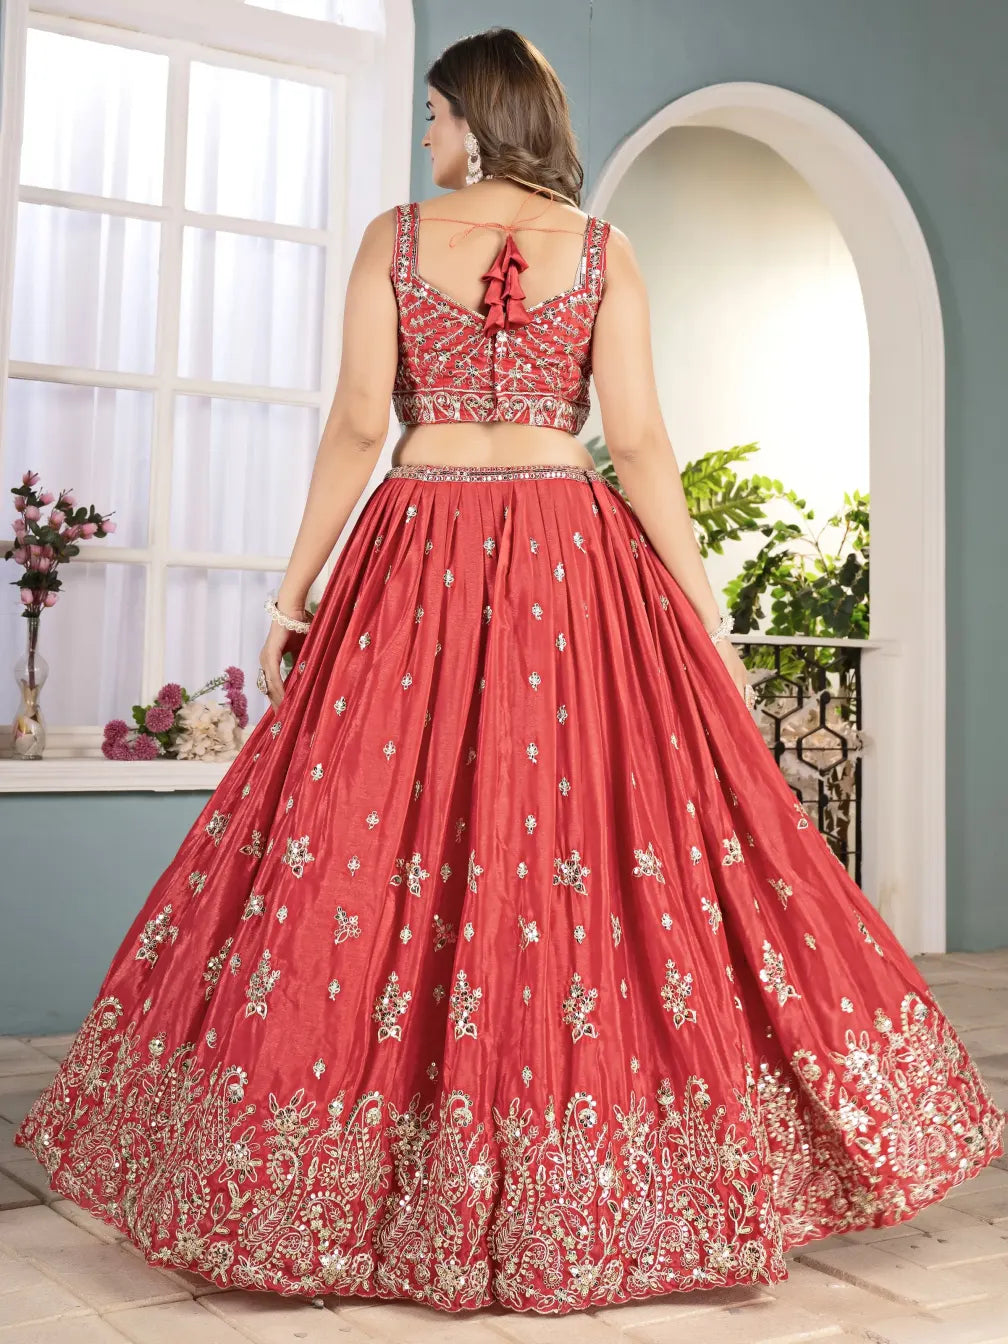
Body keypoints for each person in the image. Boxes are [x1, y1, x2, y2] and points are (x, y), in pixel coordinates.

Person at [14, 24, 1005, 1319]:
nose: (425, 140)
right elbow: (641, 447)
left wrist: (295, 583)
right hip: (567, 561)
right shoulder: (604, 255)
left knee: (371, 839)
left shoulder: (396, 240)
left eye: (435, 116)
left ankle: (349, 1177)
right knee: (568, 845)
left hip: (418, 551)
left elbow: (362, 425)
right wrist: (700, 615)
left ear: (481, 118)